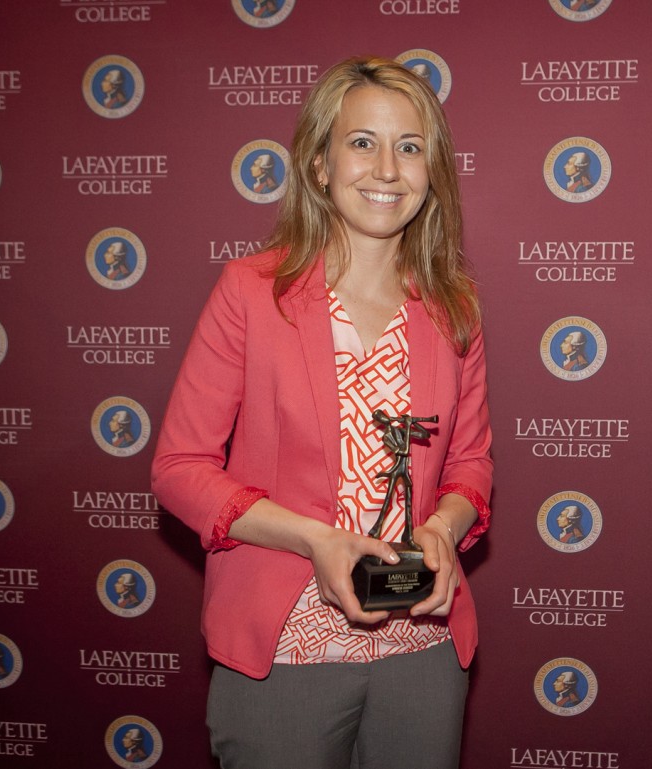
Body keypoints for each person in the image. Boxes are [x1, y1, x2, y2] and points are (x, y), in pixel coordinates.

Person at [151, 56, 493, 769]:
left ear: (433, 171)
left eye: (410, 146)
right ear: (318, 163)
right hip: (285, 645)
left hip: (422, 645)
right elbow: (180, 469)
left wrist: (441, 526)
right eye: (362, 142)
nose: (387, 169)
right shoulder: (252, 291)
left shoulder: (454, 306)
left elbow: (470, 463)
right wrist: (315, 539)